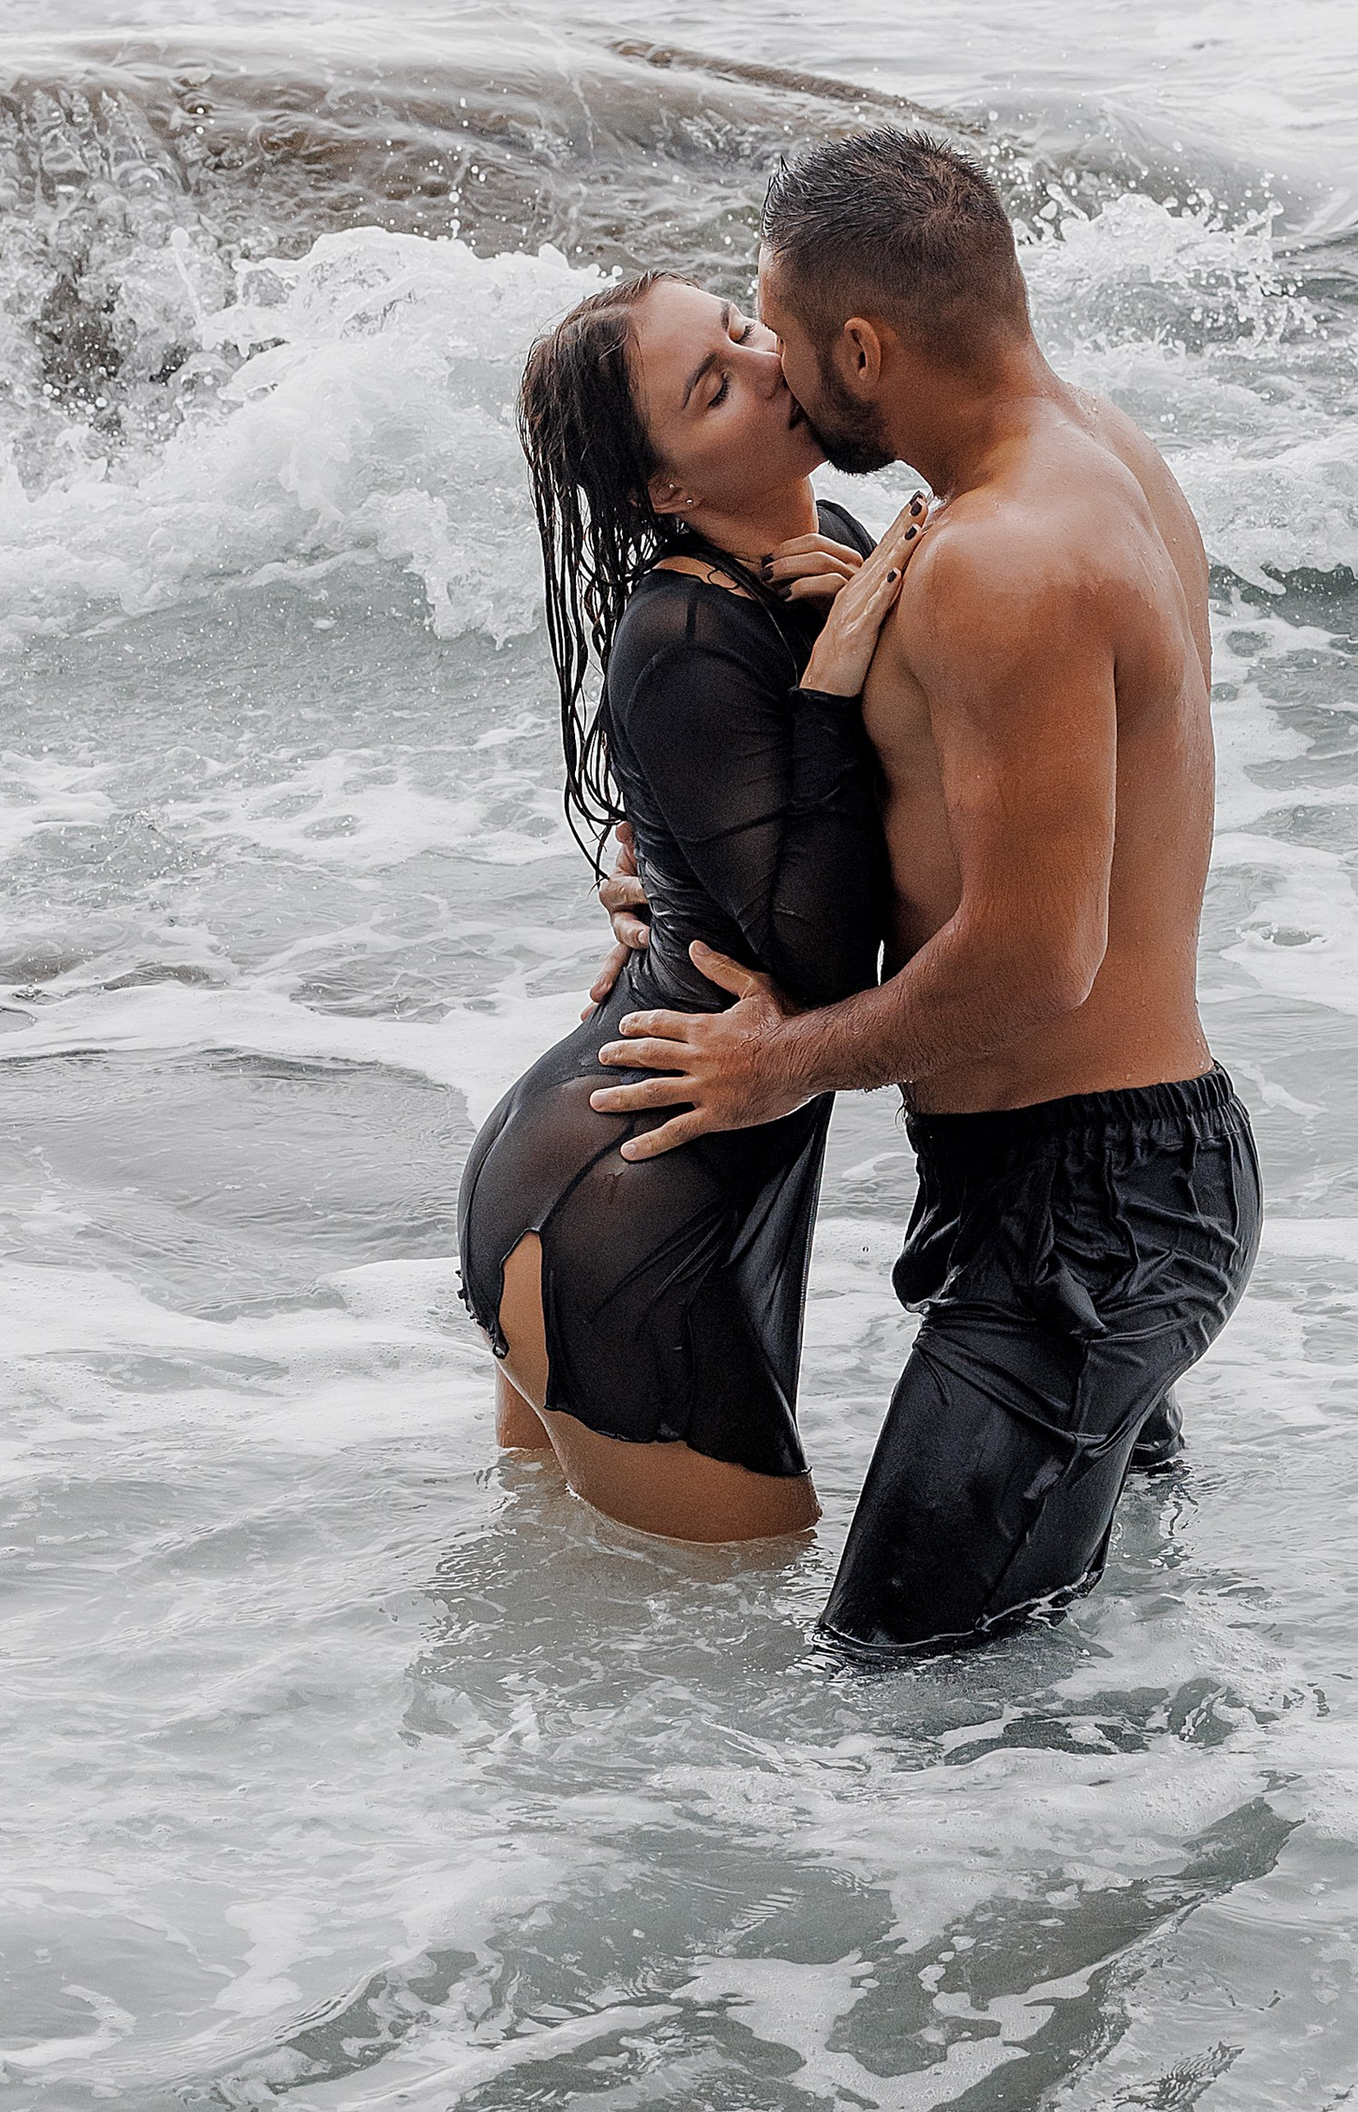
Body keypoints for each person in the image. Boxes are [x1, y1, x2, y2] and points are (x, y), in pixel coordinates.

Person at [589, 130, 1261, 1661]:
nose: (770, 366)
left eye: (774, 331)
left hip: (1085, 1227)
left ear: (863, 349)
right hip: (1124, 1187)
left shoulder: (999, 565)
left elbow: (1034, 962)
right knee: (1068, 1669)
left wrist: (779, 1066)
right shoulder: (1086, 460)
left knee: (897, 1695)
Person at [457, 270, 924, 1542]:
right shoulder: (683, 633)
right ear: (663, 490)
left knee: (564, 1598)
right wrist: (832, 690)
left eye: (742, 329)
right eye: (713, 388)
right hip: (618, 1209)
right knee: (739, 1634)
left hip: (618, 1174)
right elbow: (811, 969)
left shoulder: (824, 541)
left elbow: (701, 843)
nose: (769, 365)